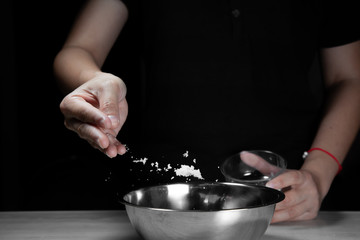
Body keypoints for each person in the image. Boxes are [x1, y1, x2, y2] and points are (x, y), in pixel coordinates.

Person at [54, 0, 360, 223]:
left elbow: (349, 79)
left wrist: (319, 174)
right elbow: (79, 49)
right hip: (159, 201)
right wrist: (95, 80)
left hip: (288, 201)